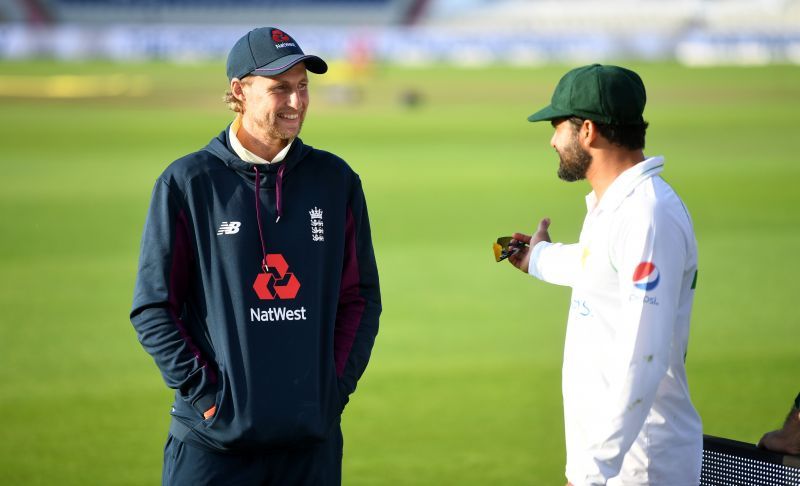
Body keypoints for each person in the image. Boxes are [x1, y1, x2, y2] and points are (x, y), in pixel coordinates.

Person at [130, 27, 381, 486]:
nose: (297, 101)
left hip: (311, 444)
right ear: (238, 91)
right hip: (214, 445)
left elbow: (360, 299)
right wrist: (209, 399)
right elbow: (153, 308)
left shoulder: (336, 180)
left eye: (303, 86)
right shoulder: (188, 183)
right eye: (280, 88)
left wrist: (332, 390)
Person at [506, 64, 702, 485]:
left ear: (588, 131)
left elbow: (643, 357)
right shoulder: (616, 207)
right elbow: (599, 266)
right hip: (616, 463)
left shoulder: (647, 215)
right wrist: (537, 258)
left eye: (557, 126)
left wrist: (592, 472)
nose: (552, 140)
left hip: (640, 466)